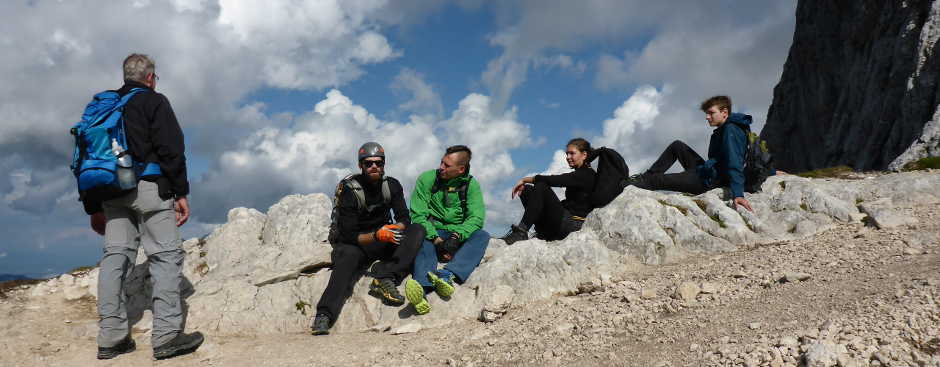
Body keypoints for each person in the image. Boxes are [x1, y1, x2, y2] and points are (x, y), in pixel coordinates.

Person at [88, 54, 204, 360]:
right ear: (150, 77)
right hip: (149, 189)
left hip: (110, 192)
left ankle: (111, 338)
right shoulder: (154, 102)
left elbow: (85, 156)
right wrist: (181, 192)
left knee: (115, 257)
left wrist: (93, 206)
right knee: (165, 256)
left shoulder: (102, 106)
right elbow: (172, 148)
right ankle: (166, 337)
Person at [310, 142, 426, 335]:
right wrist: (376, 235)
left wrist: (394, 229)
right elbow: (347, 234)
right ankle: (324, 314)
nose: (374, 167)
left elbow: (404, 217)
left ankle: (385, 276)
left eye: (378, 163)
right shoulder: (350, 190)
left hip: (383, 238)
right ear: (360, 166)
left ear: (384, 164)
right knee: (346, 260)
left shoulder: (392, 185)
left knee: (417, 231)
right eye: (368, 163)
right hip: (355, 243)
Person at [632, 95, 775, 212]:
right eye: (706, 113)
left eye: (711, 113)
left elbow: (735, 162)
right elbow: (747, 156)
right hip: (709, 170)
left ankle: (630, 184)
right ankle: (646, 177)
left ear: (724, 112)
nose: (707, 117)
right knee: (677, 146)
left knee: (658, 180)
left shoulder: (730, 131)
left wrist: (738, 194)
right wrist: (772, 172)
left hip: (708, 181)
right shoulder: (731, 127)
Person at [404, 145, 489, 315]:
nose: (441, 167)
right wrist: (436, 239)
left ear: (461, 169)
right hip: (433, 232)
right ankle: (422, 287)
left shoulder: (471, 185)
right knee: (421, 234)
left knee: (482, 235)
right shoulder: (427, 179)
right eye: (442, 162)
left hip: (457, 234)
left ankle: (447, 275)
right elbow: (418, 214)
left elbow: (476, 218)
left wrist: (457, 236)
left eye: (447, 165)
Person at [500, 138, 597, 245]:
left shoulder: (586, 174)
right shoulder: (581, 173)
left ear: (584, 155)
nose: (568, 157)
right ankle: (540, 232)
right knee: (527, 190)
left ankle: (521, 232)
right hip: (563, 221)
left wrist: (525, 179)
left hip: (572, 225)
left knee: (541, 185)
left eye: (572, 153)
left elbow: (553, 180)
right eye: (567, 154)